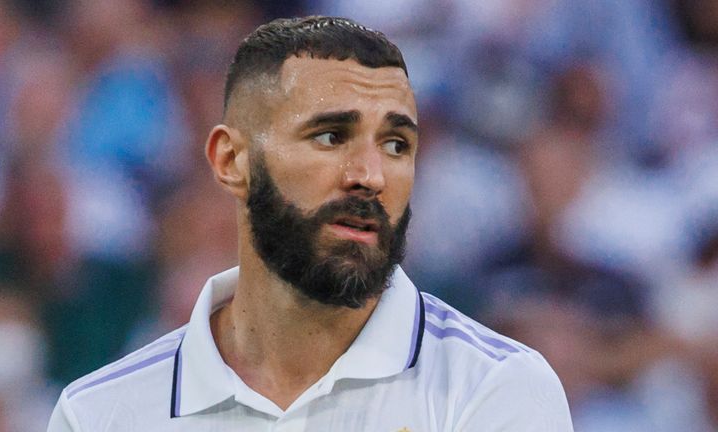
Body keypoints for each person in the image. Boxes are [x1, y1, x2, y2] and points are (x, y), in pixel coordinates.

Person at [47, 16, 573, 431]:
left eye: (397, 145)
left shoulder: (494, 389)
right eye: (330, 137)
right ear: (231, 161)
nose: (370, 176)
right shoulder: (99, 415)